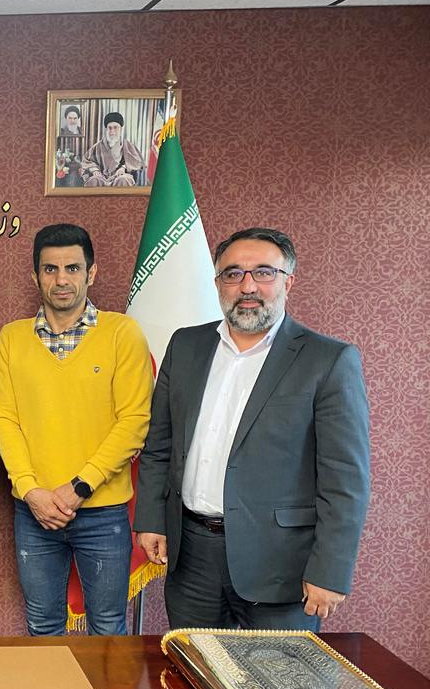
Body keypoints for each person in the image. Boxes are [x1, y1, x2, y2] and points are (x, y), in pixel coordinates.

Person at [135, 227, 370, 630]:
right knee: (195, 679)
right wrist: (152, 519)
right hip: (192, 556)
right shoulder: (186, 346)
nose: (247, 285)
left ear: (288, 280)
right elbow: (160, 445)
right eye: (233, 274)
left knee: (279, 687)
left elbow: (345, 480)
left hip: (282, 564)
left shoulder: (327, 360)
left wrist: (329, 571)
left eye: (263, 272)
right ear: (217, 283)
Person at [0, 224, 153, 636]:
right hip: (35, 512)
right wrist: (32, 491)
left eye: (72, 268)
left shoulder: (122, 333)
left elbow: (133, 422)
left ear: (91, 273)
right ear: (35, 276)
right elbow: (4, 420)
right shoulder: (12, 339)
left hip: (103, 511)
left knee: (108, 625)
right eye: (50, 269)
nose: (61, 279)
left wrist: (78, 487)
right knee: (42, 624)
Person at [80, 111, 144, 187]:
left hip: (120, 175)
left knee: (124, 179)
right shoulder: (97, 146)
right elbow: (86, 161)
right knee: (94, 180)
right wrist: (95, 170)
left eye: (115, 128)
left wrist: (124, 168)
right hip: (101, 177)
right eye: (109, 128)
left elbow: (137, 161)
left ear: (120, 129)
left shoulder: (128, 145)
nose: (112, 131)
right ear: (106, 129)